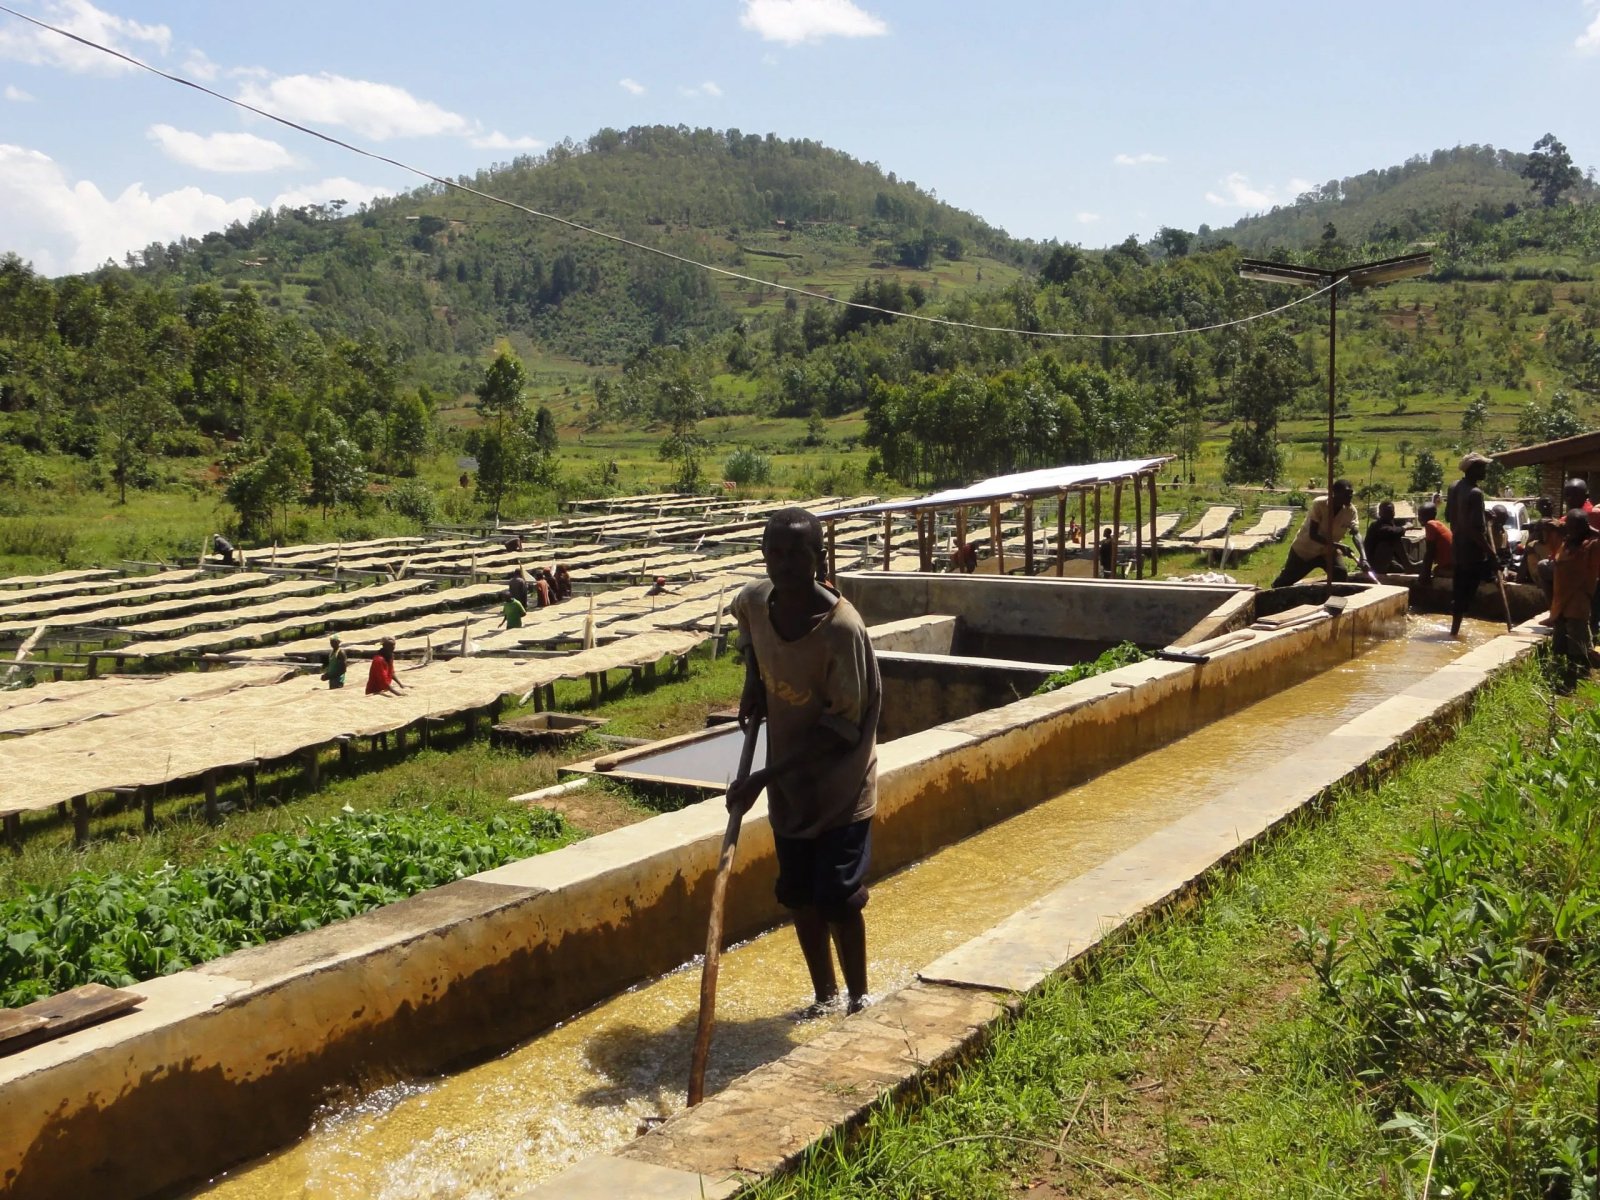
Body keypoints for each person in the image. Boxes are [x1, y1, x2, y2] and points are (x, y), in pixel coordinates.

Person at [728, 508, 881, 1017]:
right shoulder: (757, 600)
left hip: (841, 786)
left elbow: (842, 729)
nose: (786, 563)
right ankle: (824, 996)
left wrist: (763, 778)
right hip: (792, 792)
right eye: (776, 552)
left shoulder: (842, 630)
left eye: (799, 553)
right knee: (798, 896)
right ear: (764, 556)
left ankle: (860, 998)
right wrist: (754, 678)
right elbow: (744, 619)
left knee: (837, 896)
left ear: (820, 558)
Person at [1543, 511, 1600, 684]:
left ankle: (1580, 677)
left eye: (1577, 527)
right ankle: (1562, 674)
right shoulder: (1567, 543)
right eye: (1570, 526)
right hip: (1561, 600)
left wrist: (1593, 531)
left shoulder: (1591, 545)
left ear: (1584, 527)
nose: (1572, 530)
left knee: (1578, 637)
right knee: (1560, 639)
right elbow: (1549, 529)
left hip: (1578, 599)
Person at [1270, 479, 1356, 589]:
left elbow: (1356, 532)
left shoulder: (1351, 511)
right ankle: (1273, 599)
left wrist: (1363, 557)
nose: (1350, 497)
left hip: (1328, 552)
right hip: (1305, 550)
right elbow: (1313, 535)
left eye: (1351, 494)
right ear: (1335, 493)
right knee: (1285, 581)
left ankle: (1334, 601)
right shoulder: (1319, 504)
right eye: (1346, 494)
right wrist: (1339, 546)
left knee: (1340, 573)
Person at [1446, 452, 1496, 637]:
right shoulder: (1476, 493)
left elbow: (1451, 516)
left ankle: (1454, 631)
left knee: (1459, 591)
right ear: (1473, 469)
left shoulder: (1454, 487)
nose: (1485, 471)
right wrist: (1491, 554)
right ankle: (1457, 633)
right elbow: (1474, 530)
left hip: (1458, 548)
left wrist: (1483, 515)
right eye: (1482, 468)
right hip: (1472, 552)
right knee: (1467, 594)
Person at [1363, 501, 1415, 575]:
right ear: (1380, 513)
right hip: (1374, 564)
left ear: (1393, 513)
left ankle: (1409, 564)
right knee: (1393, 538)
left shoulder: (1391, 524)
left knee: (1400, 568)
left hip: (1387, 561)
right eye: (1385, 512)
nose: (1388, 514)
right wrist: (1405, 527)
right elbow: (1392, 532)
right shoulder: (1376, 525)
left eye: (1390, 511)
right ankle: (1408, 565)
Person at [1418, 501, 1453, 587]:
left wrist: (1424, 576)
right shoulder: (1438, 524)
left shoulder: (1430, 524)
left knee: (1436, 571)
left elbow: (1430, 552)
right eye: (1419, 515)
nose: (1419, 518)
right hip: (1454, 563)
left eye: (1422, 515)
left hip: (1450, 566)